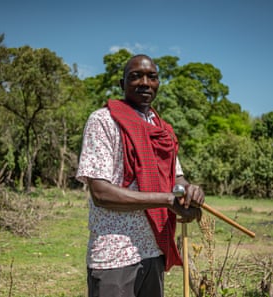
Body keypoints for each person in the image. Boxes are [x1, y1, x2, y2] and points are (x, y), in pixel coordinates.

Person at [76, 54, 205, 297]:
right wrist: (168, 200)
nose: (145, 82)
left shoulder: (162, 129)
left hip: (154, 248)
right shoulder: (104, 121)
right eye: (135, 76)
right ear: (122, 84)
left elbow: (175, 178)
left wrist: (190, 191)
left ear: (158, 83)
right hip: (113, 253)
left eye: (152, 77)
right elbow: (101, 193)